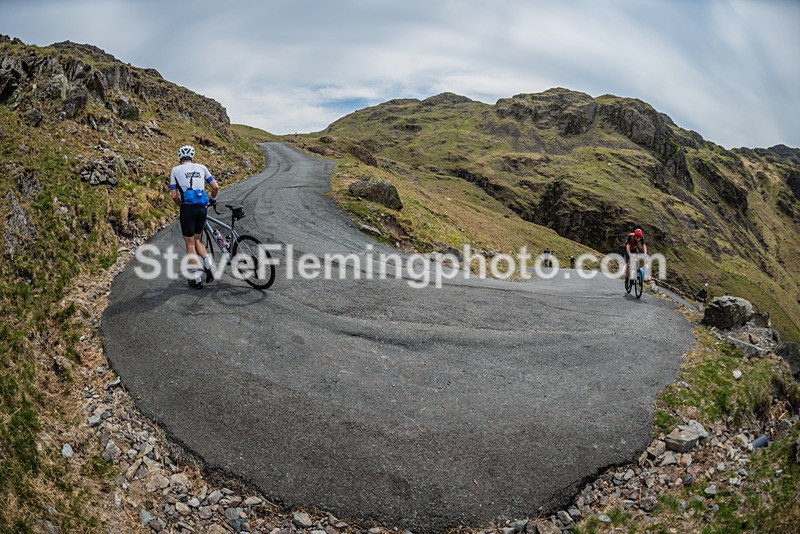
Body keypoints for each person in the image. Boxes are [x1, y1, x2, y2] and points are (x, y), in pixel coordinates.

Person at [169, 145, 220, 289]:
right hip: (202, 207)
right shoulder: (202, 167)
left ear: (180, 159)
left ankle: (196, 279)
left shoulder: (175, 170)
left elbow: (174, 195)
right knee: (197, 239)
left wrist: (181, 205)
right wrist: (212, 200)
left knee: (190, 243)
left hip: (188, 208)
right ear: (193, 157)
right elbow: (215, 187)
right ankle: (208, 262)